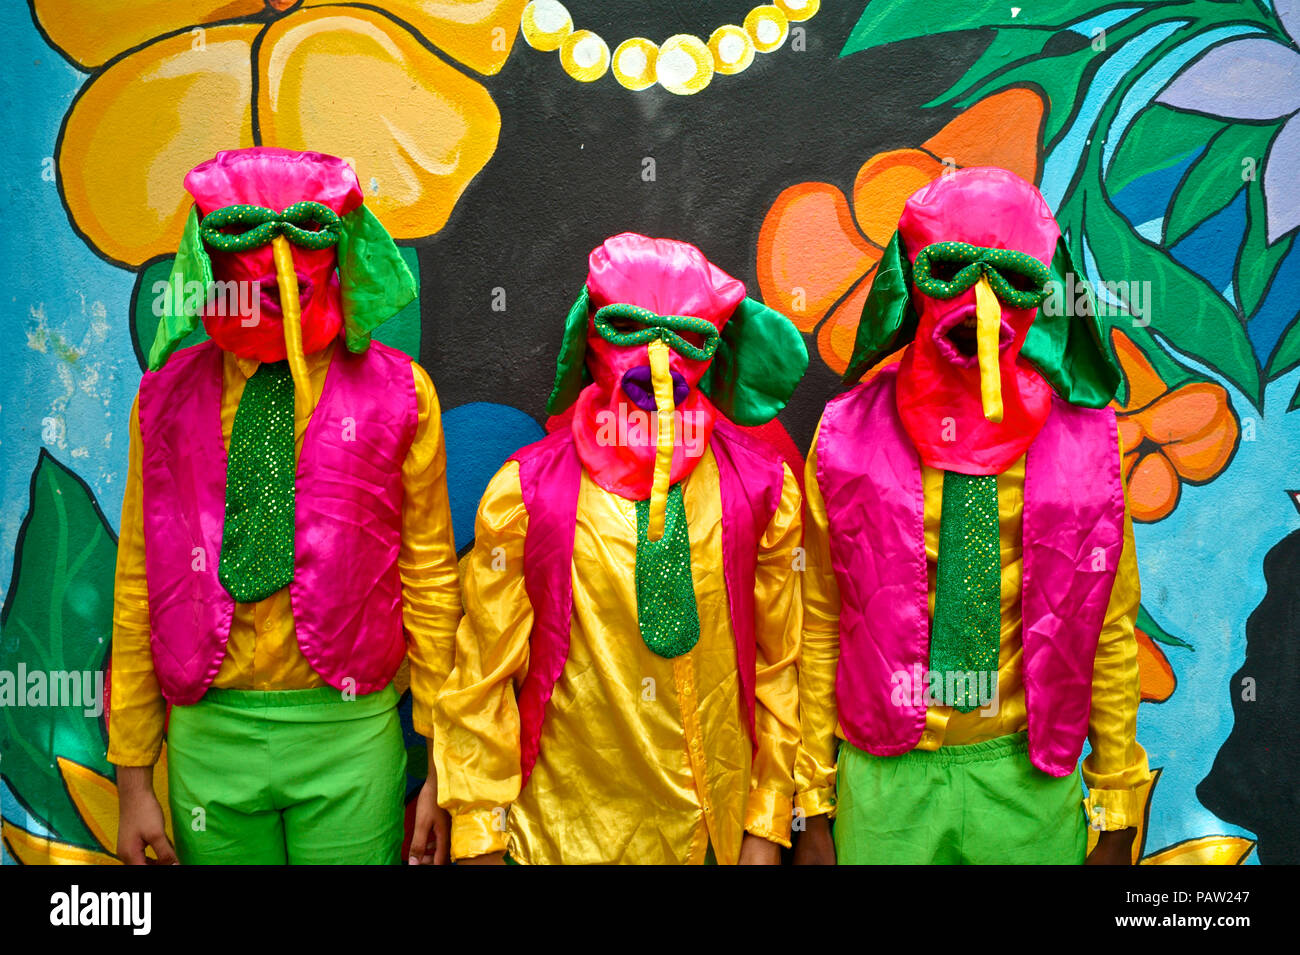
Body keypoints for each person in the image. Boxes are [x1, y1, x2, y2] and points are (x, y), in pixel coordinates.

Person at [108, 147, 461, 865]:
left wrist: (442, 764)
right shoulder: (165, 399)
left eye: (300, 238)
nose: (274, 263)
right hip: (209, 739)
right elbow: (141, 577)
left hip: (350, 732)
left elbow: (428, 576)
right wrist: (133, 778)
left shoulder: (401, 394)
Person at [794, 167, 1149, 865]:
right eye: (953, 268)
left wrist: (1116, 811)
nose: (980, 300)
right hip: (883, 785)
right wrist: (813, 806)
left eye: (1011, 275)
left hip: (1029, 783)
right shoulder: (846, 438)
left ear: (1046, 290)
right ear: (910, 276)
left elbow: (1108, 628)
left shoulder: (1087, 447)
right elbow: (818, 623)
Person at [435, 232, 808, 864]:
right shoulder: (526, 493)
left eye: (686, 337)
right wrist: (478, 833)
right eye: (629, 329)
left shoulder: (764, 490)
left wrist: (768, 825)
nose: (657, 358)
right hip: (557, 838)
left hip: (713, 840)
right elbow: (483, 677)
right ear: (589, 336)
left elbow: (780, 666)